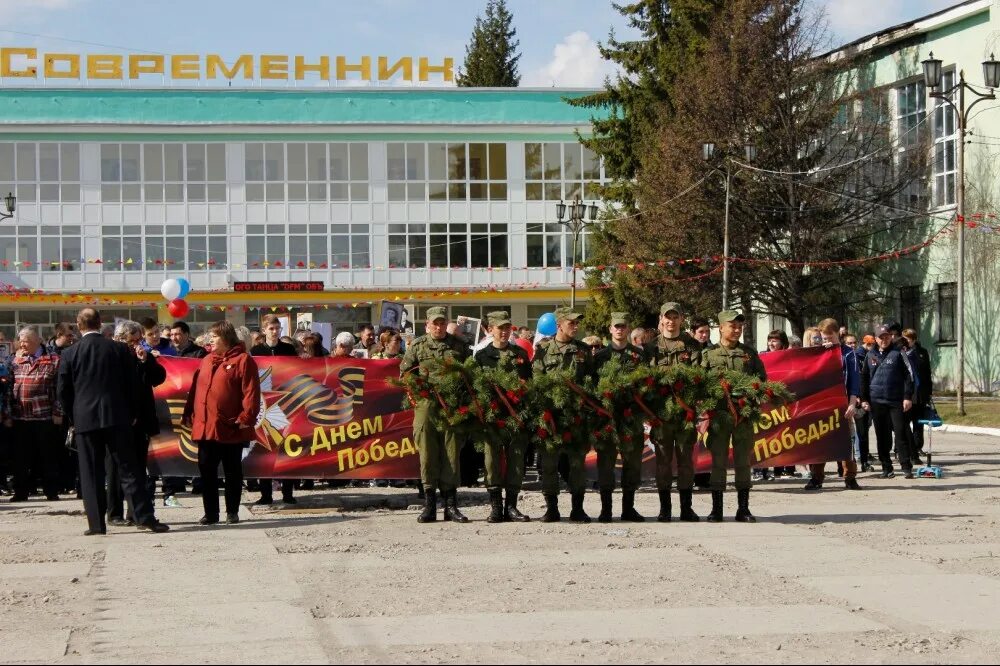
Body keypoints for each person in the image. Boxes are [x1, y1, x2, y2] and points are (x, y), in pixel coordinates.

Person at [57, 308, 168, 534]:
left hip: (85, 420)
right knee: (130, 470)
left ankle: (97, 525)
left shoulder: (69, 353)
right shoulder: (118, 349)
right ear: (100, 323)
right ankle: (144, 517)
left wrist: (73, 416)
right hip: (117, 417)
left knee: (91, 474)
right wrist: (130, 412)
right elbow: (131, 385)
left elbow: (63, 391)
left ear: (79, 326)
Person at [182, 321, 261, 525]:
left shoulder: (243, 360)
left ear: (226, 338)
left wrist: (246, 418)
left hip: (230, 426)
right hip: (205, 426)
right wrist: (189, 413)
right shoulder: (206, 360)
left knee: (232, 472)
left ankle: (232, 512)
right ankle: (211, 514)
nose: (210, 340)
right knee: (206, 471)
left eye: (214, 336)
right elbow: (195, 390)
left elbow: (251, 392)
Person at [399, 306, 471, 523]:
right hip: (426, 405)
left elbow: (469, 372)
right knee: (427, 454)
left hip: (451, 405)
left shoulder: (458, 345)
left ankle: (451, 506)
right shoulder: (418, 346)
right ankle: (429, 505)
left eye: (442, 323)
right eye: (435, 323)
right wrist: (417, 393)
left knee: (451, 453)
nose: (439, 327)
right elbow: (404, 373)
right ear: (427, 325)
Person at [702, 310, 766, 523]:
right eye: (732, 326)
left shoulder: (748, 353)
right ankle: (717, 509)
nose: (737, 330)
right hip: (720, 416)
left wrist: (754, 397)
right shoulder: (709, 356)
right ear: (720, 327)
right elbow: (701, 385)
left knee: (743, 461)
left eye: (739, 327)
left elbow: (762, 381)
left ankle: (743, 508)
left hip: (743, 416)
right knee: (718, 461)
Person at [532, 306, 594, 524]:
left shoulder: (583, 350)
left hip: (576, 416)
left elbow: (591, 383)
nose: (576, 327)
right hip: (552, 417)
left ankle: (578, 508)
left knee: (577, 463)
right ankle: (552, 508)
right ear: (559, 325)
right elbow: (537, 381)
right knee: (549, 464)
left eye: (577, 323)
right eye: (571, 323)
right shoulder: (543, 349)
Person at [106, 320, 167, 525]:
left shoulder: (142, 355)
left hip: (141, 421)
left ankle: (136, 512)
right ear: (121, 339)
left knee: (139, 468)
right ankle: (114, 513)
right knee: (116, 469)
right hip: (119, 420)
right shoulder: (112, 356)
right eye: (133, 340)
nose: (137, 343)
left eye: (139, 339)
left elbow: (159, 377)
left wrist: (145, 361)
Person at [474, 311, 532, 523]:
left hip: (516, 416)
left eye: (508, 328)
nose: (505, 332)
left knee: (516, 459)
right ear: (490, 330)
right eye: (500, 328)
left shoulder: (520, 355)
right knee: (492, 461)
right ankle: (496, 507)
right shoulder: (481, 357)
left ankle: (512, 507)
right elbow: (477, 389)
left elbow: (529, 384)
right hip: (493, 417)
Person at [647, 302, 703, 522]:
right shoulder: (652, 347)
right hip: (661, 413)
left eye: (675, 317)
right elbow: (647, 378)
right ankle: (665, 508)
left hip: (684, 413)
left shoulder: (692, 345)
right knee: (662, 462)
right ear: (661, 319)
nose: (671, 321)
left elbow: (699, 375)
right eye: (667, 317)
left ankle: (686, 508)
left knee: (686, 462)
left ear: (682, 319)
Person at [594, 312, 648, 523]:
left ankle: (628, 508)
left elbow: (646, 385)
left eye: (623, 326)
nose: (619, 329)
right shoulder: (599, 357)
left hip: (631, 417)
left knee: (632, 464)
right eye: (616, 326)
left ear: (628, 328)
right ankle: (606, 509)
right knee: (605, 464)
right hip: (607, 418)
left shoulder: (638, 356)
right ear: (610, 329)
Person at [6, 327, 64, 502]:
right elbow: (8, 389)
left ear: (38, 341)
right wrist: (7, 414)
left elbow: (60, 389)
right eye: (21, 341)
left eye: (27, 341)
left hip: (45, 417)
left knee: (48, 456)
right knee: (20, 458)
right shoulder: (15, 360)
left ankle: (51, 491)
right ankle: (20, 491)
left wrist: (58, 412)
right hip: (20, 417)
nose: (23, 344)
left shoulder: (53, 360)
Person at [805, 319, 862, 491]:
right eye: (824, 337)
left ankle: (850, 477)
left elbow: (854, 382)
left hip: (843, 405)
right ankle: (816, 477)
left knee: (847, 441)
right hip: (821, 405)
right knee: (819, 441)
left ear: (838, 334)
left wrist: (852, 404)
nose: (827, 340)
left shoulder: (848, 354)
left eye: (831, 336)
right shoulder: (817, 353)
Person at [249, 314, 297, 505]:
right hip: (265, 406)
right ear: (264, 330)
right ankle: (266, 494)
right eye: (271, 328)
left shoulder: (288, 349)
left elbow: (296, 372)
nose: (275, 332)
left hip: (285, 404)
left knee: (286, 449)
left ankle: (287, 493)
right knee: (265, 450)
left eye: (277, 328)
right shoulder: (256, 351)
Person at [861, 323, 916, 479]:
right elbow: (864, 378)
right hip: (877, 401)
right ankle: (887, 468)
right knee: (882, 436)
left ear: (891, 337)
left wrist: (907, 397)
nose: (884, 339)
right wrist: (864, 399)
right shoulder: (870, 355)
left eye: (886, 336)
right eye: (881, 337)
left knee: (900, 433)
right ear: (876, 339)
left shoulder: (899, 353)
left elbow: (908, 376)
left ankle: (906, 467)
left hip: (896, 401)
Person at [902, 328, 932, 464]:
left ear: (913, 340)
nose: (906, 341)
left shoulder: (922, 352)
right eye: (904, 339)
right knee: (904, 425)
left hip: (919, 394)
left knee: (918, 424)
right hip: (906, 394)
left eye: (908, 339)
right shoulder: (900, 353)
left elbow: (927, 373)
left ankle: (917, 448)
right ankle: (904, 450)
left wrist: (929, 393)